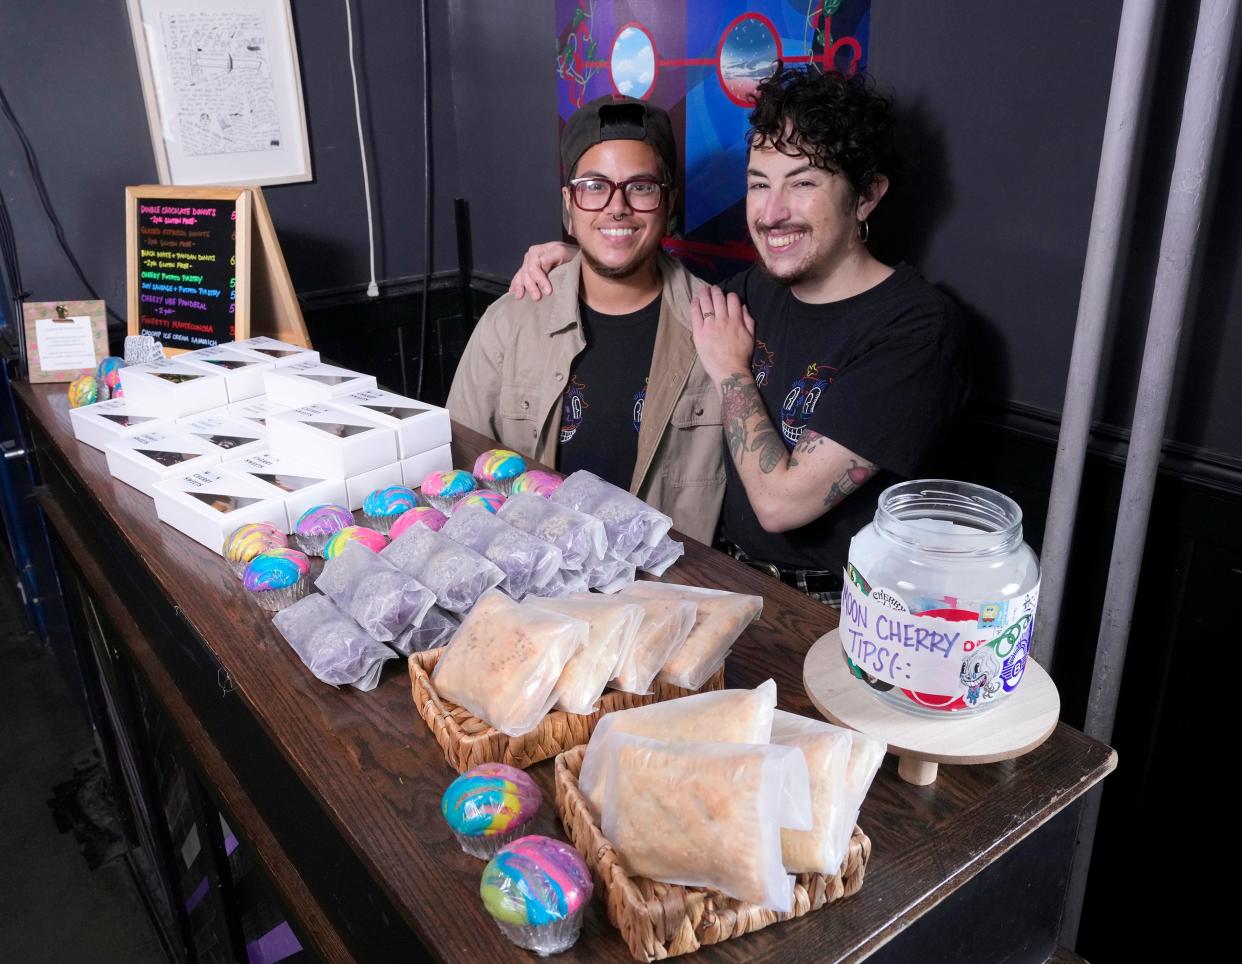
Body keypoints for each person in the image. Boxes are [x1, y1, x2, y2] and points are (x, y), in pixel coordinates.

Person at [509, 68, 967, 604]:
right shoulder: (754, 290)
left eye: (803, 183)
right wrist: (584, 262)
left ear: (865, 197)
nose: (772, 214)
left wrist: (731, 369)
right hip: (722, 577)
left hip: (840, 611)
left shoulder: (916, 327)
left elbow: (781, 504)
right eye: (758, 184)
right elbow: (660, 286)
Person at [446, 96, 724, 543]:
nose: (617, 206)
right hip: (537, 585)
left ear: (669, 203)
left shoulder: (718, 326)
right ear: (568, 208)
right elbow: (457, 466)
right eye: (594, 186)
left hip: (668, 591)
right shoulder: (509, 323)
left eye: (641, 186)